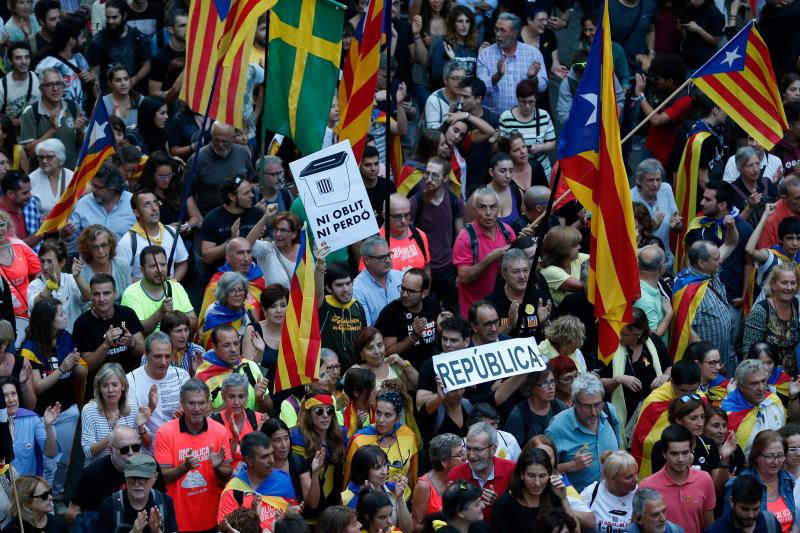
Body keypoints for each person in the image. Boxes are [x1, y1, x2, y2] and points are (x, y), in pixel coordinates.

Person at [154, 379, 232, 533]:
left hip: (211, 518)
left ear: (209, 404)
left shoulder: (219, 431)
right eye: (191, 403)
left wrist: (216, 468)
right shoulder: (165, 432)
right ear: (182, 403)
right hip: (177, 521)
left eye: (201, 403)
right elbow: (161, 478)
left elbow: (227, 475)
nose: (197, 408)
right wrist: (185, 467)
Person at [599, 308, 671, 437]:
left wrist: (666, 376)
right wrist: (618, 379)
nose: (620, 337)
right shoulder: (610, 346)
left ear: (639, 333)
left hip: (650, 413)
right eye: (620, 332)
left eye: (625, 334)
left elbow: (669, 366)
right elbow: (599, 385)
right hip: (621, 416)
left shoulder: (654, 341)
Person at [545, 373, 620, 492]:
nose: (594, 412)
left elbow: (620, 451)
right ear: (574, 402)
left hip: (610, 499)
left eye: (597, 405)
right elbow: (542, 470)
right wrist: (571, 466)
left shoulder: (610, 412)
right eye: (587, 407)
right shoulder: (557, 428)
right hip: (577, 505)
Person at [408, 156, 464, 314]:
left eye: (435, 175)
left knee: (452, 313)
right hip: (424, 269)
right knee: (425, 313)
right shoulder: (416, 202)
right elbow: (407, 236)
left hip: (447, 269)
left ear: (445, 178)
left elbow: (460, 238)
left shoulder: (454, 201)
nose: (429, 179)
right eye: (427, 174)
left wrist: (460, 271)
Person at [639, 424, 716, 532]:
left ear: (691, 452)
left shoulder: (705, 480)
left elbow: (709, 526)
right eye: (674, 454)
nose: (680, 459)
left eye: (685, 453)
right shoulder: (646, 486)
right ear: (664, 454)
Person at [217, 432, 298, 533]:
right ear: (249, 460)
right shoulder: (233, 491)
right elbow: (225, 530)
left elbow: (294, 525)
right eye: (265, 457)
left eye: (272, 454)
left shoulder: (284, 482)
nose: (272, 460)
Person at [453, 187, 515, 318]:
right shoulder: (465, 237)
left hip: (501, 309)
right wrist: (489, 259)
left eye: (493, 207)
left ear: (498, 208)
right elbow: (463, 278)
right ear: (475, 210)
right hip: (474, 312)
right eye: (483, 207)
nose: (488, 212)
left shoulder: (507, 232)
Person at [345, 390, 418, 501]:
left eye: (388, 415)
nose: (381, 420)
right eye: (378, 413)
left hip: (402, 502)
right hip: (371, 505)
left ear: (397, 417)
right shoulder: (360, 440)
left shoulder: (408, 435)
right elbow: (350, 480)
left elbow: (411, 473)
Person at [72, 273, 145, 379]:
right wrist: (106, 344)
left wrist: (132, 343)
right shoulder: (82, 323)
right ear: (91, 296)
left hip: (130, 379)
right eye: (96, 294)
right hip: (100, 384)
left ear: (115, 294)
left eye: (106, 293)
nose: (102, 299)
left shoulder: (127, 314)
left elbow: (144, 353)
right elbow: (88, 367)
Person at [722, 430, 797, 532]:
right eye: (769, 456)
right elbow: (729, 527)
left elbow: (795, 521)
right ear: (756, 456)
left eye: (780, 456)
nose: (776, 461)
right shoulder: (738, 484)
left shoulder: (789, 480)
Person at [492, 447, 579, 532]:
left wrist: (563, 498)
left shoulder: (554, 497)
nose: (537, 482)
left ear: (549, 474)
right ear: (522, 474)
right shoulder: (505, 505)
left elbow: (575, 530)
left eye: (542, 476)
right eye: (531, 476)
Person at [476, 13, 547, 116]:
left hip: (522, 119)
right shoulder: (485, 54)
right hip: (492, 119)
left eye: (502, 30)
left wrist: (532, 78)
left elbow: (542, 86)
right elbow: (481, 89)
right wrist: (498, 75)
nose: (497, 34)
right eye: (496, 29)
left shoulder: (533, 54)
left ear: (515, 34)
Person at [289, 390, 345, 520]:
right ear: (309, 414)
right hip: (307, 515)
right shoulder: (297, 439)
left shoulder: (341, 436)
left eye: (330, 411)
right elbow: (310, 500)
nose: (325, 415)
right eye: (319, 411)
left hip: (334, 515)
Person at [80, 362, 151, 464]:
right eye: (105, 385)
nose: (110, 390)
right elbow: (89, 453)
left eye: (114, 384)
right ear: (99, 389)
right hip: (100, 469)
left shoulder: (131, 406)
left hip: (129, 466)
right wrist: (112, 433)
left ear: (123, 386)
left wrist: (141, 428)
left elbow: (148, 445)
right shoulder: (89, 410)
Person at [116, 189, 189, 282]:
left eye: (155, 202)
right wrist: (150, 287)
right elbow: (121, 277)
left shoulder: (172, 232)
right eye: (147, 204)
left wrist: (172, 284)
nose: (154, 208)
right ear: (136, 212)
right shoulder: (127, 242)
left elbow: (182, 263)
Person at [446, 422, 515, 522]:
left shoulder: (512, 470)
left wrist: (499, 503)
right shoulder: (456, 475)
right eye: (468, 448)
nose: (472, 455)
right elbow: (451, 516)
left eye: (478, 449)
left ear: (493, 449)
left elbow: (521, 512)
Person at [375, 268, 442, 370]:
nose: (404, 294)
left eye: (410, 291)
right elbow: (387, 352)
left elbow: (438, 343)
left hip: (430, 366)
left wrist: (442, 329)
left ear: (423, 293)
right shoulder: (390, 313)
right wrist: (413, 337)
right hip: (402, 371)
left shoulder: (432, 306)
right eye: (402, 288)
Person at [121, 246, 195, 338]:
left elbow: (193, 320)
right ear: (142, 269)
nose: (159, 270)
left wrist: (175, 320)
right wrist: (160, 312)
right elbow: (138, 332)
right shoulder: (131, 293)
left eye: (163, 265)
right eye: (153, 266)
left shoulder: (176, 287)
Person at [126, 332, 190, 438]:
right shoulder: (130, 380)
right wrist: (150, 407)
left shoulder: (182, 376)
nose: (163, 362)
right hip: (146, 449)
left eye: (167, 356)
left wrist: (186, 411)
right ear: (146, 354)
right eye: (158, 356)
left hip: (180, 443)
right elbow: (130, 422)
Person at [19, 68, 84, 170]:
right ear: (41, 89)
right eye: (50, 85)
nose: (55, 88)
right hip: (42, 178)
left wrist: (79, 131)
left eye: (59, 83)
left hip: (70, 176)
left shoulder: (72, 106)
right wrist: (52, 130)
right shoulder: (31, 112)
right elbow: (30, 152)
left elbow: (84, 144)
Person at [195, 325, 270, 412]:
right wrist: (230, 403)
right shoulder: (203, 375)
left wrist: (260, 399)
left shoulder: (250, 365)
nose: (233, 349)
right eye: (226, 345)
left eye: (236, 343)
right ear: (214, 347)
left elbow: (269, 410)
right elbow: (204, 419)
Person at [96, 453, 177, 533]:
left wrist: (157, 531)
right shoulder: (110, 506)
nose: (137, 483)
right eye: (132, 478)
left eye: (143, 478)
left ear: (154, 478)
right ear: (125, 477)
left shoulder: (165, 502)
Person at [741, 263, 800, 370]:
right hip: (765, 375)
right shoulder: (761, 311)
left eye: (793, 283)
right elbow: (748, 352)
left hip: (790, 377)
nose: (789, 287)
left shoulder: (796, 304)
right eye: (784, 283)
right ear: (773, 284)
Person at [188, 122, 256, 216]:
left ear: (233, 138)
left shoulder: (242, 154)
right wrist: (196, 216)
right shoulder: (197, 159)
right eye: (216, 141)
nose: (220, 145)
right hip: (210, 219)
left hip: (241, 216)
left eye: (225, 142)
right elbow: (185, 192)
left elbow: (250, 181)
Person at [721, 359, 786, 455]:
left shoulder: (774, 400)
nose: (761, 388)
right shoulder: (726, 413)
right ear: (741, 386)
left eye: (763, 381)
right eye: (754, 383)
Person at [341, 445, 411, 532]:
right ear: (363, 470)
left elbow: (408, 530)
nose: (385, 472)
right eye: (377, 468)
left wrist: (400, 498)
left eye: (385, 465)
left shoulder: (394, 489)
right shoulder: (346, 498)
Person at [630, 159, 682, 270]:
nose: (656, 184)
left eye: (658, 180)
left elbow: (678, 225)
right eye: (650, 180)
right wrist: (652, 226)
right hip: (642, 265)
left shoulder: (666, 189)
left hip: (665, 261)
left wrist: (677, 225)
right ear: (639, 180)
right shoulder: (629, 198)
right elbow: (628, 236)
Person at [498, 80, 556, 178]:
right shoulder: (506, 117)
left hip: (542, 169)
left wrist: (540, 147)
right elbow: (503, 148)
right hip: (516, 171)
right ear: (518, 99)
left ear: (536, 99)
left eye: (531, 102)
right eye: (523, 102)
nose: (527, 106)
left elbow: (552, 143)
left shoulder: (543, 115)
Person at [68, 164, 137, 243]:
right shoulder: (84, 203)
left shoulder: (132, 202)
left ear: (112, 187)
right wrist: (65, 235)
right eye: (93, 185)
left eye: (98, 187)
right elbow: (72, 241)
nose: (93, 190)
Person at [1, 380, 58, 477]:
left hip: (28, 487)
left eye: (13, 394)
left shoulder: (32, 419)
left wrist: (48, 427)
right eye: (5, 396)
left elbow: (50, 453)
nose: (11, 399)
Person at [411, 433, 465, 532]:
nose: (465, 457)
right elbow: (416, 526)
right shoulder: (424, 486)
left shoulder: (462, 478)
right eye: (460, 454)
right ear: (444, 462)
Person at [318, 262, 366, 371]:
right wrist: (320, 265)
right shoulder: (324, 305)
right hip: (330, 373)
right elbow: (318, 292)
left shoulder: (357, 306)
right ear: (329, 288)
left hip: (355, 372)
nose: (345, 289)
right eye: (339, 285)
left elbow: (364, 341)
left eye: (348, 283)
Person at [197, 271, 260, 350]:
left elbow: (257, 339)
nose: (237, 294)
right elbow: (210, 346)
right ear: (224, 293)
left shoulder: (250, 310)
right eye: (232, 290)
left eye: (240, 290)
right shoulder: (213, 312)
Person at [578, 450, 639, 532]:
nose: (636, 479)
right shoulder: (591, 493)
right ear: (612, 478)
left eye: (636, 473)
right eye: (629, 477)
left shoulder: (640, 494)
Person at [505, 366, 565, 448]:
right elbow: (513, 452)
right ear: (531, 387)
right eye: (544, 383)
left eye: (552, 381)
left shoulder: (560, 407)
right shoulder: (519, 415)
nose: (551, 387)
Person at [352, 236, 403, 326]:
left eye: (388, 255)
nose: (388, 260)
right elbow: (367, 329)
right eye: (382, 257)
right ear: (366, 260)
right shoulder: (357, 289)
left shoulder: (400, 276)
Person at [707, 474, 782, 533]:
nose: (751, 515)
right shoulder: (714, 530)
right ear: (732, 502)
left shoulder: (771, 524)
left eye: (756, 509)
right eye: (745, 509)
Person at [76, 226, 131, 306]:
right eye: (95, 247)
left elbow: (128, 298)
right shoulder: (81, 272)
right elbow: (83, 304)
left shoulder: (122, 265)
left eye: (104, 245)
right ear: (87, 249)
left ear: (111, 245)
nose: (100, 251)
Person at [350, 327, 418, 391]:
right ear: (361, 353)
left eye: (379, 345)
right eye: (370, 348)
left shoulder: (393, 363)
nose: (377, 351)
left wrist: (405, 364)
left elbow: (417, 386)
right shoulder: (354, 372)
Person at [428, 6, 478, 90]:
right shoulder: (442, 44)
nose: (464, 25)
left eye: (467, 21)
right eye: (460, 21)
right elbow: (435, 76)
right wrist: (453, 62)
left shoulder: (475, 46)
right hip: (448, 94)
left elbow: (478, 77)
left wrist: (481, 58)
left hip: (468, 95)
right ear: (453, 24)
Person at [250, 212, 301, 289]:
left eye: (283, 230)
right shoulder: (267, 249)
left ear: (294, 234)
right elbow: (247, 245)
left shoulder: (303, 250)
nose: (277, 234)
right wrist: (266, 217)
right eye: (275, 229)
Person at [540, 226, 588, 308]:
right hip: (564, 317)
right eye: (575, 245)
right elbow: (585, 287)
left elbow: (601, 262)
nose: (579, 247)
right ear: (564, 248)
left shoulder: (576, 258)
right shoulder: (548, 271)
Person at [2, 476, 68, 533]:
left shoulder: (59, 524)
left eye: (50, 492)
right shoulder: (11, 531)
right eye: (44, 495)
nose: (50, 497)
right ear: (28, 502)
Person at [0, 42, 40, 128]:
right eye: (18, 58)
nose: (24, 62)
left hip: (36, 134)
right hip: (13, 137)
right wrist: (15, 122)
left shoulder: (38, 78)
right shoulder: (2, 86)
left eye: (27, 57)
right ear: (10, 61)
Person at [28, 139, 70, 219]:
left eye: (49, 157)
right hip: (43, 228)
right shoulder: (31, 179)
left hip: (69, 228)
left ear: (60, 157)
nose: (44, 161)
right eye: (41, 157)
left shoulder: (72, 177)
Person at [424, 60, 467, 130]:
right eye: (455, 78)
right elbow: (432, 133)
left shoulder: (467, 96)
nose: (460, 82)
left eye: (463, 78)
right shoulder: (434, 100)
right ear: (445, 80)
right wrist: (448, 120)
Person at [0, 171, 40, 247]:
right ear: (10, 194)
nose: (30, 196)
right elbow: (13, 248)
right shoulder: (1, 216)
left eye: (29, 191)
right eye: (25, 193)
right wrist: (41, 232)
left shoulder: (29, 205)